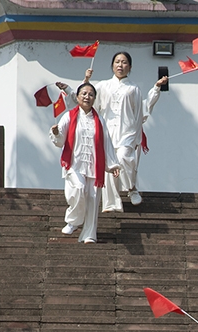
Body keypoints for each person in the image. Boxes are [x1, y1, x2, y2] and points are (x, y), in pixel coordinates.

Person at [58, 51, 168, 212]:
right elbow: (85, 101)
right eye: (117, 62)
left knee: (123, 157)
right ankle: (111, 203)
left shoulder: (133, 89)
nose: (120, 65)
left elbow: (142, 110)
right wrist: (73, 87)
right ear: (112, 65)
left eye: (124, 62)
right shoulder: (103, 86)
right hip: (107, 131)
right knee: (109, 166)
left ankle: (131, 188)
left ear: (129, 67)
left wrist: (156, 89)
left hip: (127, 131)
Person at [49, 82, 120, 243]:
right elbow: (60, 139)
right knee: (78, 189)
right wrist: (55, 133)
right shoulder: (69, 116)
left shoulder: (100, 120)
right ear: (78, 97)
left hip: (95, 166)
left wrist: (113, 165)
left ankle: (89, 234)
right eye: (84, 94)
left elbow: (107, 143)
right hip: (75, 164)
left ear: (94, 98)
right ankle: (73, 220)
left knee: (93, 200)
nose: (87, 97)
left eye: (91, 94)